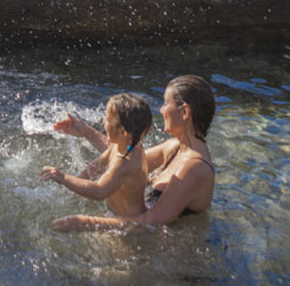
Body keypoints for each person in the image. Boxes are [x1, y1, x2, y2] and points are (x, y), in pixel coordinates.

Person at [50, 75, 217, 232]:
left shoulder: (194, 168)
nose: (161, 110)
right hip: (136, 228)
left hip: (160, 251)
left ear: (185, 112)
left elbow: (151, 222)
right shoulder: (175, 147)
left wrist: (85, 222)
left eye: (166, 103)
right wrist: (87, 132)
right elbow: (126, 157)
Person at [40, 92, 152, 219]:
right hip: (117, 214)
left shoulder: (125, 163)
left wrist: (63, 178)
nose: (104, 121)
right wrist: (69, 194)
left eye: (108, 119)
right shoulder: (123, 146)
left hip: (128, 222)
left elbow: (99, 191)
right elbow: (94, 168)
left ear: (123, 132)